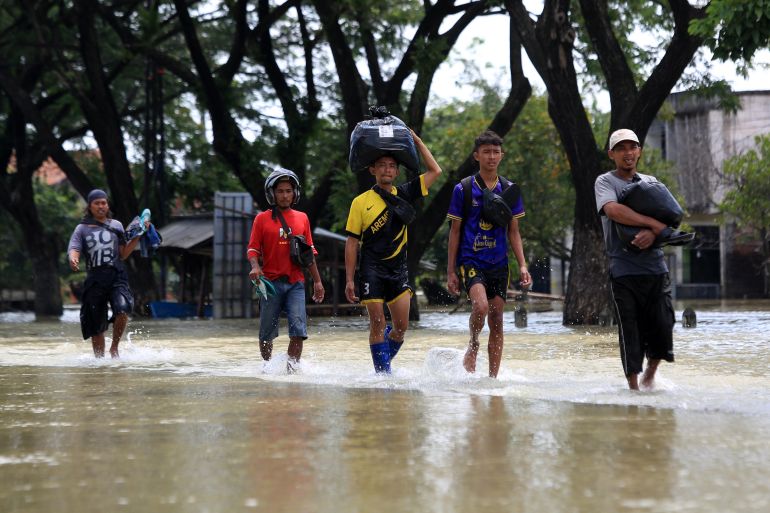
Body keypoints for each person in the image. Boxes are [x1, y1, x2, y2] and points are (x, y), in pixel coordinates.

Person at [344, 130, 442, 373]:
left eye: (391, 166)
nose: (386, 170)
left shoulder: (406, 193)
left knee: (401, 328)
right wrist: (349, 279)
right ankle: (383, 376)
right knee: (377, 322)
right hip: (371, 270)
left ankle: (382, 364)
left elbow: (435, 171)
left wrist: (417, 141)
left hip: (398, 270)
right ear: (372, 170)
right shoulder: (360, 202)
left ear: (397, 172)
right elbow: (352, 242)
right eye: (381, 166)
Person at [594, 128, 675, 390]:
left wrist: (653, 234)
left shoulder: (651, 183)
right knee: (630, 330)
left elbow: (668, 220)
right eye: (621, 148)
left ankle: (650, 375)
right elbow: (613, 210)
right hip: (623, 270)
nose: (627, 153)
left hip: (656, 267)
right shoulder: (605, 182)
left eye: (632, 147)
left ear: (639, 151)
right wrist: (652, 223)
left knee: (664, 324)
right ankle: (633, 388)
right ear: (612, 154)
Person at [446, 130, 531, 378]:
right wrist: (451, 270)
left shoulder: (510, 189)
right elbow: (455, 231)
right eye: (486, 152)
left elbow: (514, 232)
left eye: (496, 152)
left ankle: (492, 381)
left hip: (499, 263)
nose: (491, 157)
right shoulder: (463, 189)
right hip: (471, 260)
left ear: (501, 155)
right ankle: (473, 342)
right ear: (477, 156)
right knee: (480, 307)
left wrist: (523, 265)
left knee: (497, 321)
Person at [247, 168, 324, 373]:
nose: (284, 195)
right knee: (266, 334)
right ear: (272, 194)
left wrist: (317, 281)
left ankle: (291, 373)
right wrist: (255, 267)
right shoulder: (261, 219)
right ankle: (267, 368)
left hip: (295, 283)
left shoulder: (302, 218)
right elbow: (253, 249)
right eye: (280, 191)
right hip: (269, 284)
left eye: (288, 191)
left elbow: (309, 253)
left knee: (298, 331)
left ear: (295, 193)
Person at [68, 189, 145, 358]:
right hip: (95, 278)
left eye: (104, 203)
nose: (101, 206)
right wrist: (73, 259)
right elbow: (74, 248)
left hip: (116, 274)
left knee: (123, 310)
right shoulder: (81, 229)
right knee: (96, 325)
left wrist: (137, 237)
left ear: (107, 205)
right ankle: (99, 361)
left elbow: (123, 254)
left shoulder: (116, 225)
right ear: (90, 206)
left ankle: (115, 347)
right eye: (97, 203)